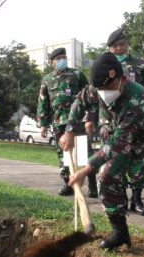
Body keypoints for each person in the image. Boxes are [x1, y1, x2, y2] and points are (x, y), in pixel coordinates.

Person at [61, 52, 144, 256]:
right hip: (126, 140)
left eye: (108, 88)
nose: (103, 93)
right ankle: (120, 232)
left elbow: (117, 144)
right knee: (106, 176)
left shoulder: (137, 98)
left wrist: (85, 169)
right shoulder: (97, 88)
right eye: (99, 89)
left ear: (121, 78)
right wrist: (69, 130)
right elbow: (79, 102)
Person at [102, 28, 144, 216]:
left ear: (127, 44)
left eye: (122, 44)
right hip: (114, 122)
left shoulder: (140, 64)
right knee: (115, 160)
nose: (119, 48)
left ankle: (137, 199)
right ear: (109, 48)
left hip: (138, 121)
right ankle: (120, 199)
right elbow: (99, 96)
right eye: (115, 46)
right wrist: (103, 122)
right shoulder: (104, 64)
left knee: (138, 161)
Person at [37, 47, 97, 197]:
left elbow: (90, 96)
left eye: (64, 57)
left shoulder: (77, 75)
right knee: (64, 154)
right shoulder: (47, 80)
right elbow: (43, 102)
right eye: (58, 59)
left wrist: (90, 117)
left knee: (84, 152)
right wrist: (43, 124)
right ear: (51, 62)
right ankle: (68, 184)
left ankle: (92, 185)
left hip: (78, 120)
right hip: (59, 122)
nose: (61, 60)